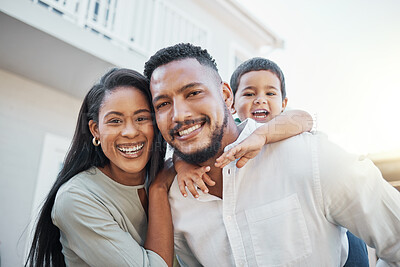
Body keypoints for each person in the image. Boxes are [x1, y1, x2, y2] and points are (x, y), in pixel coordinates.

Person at [144, 43, 400, 266]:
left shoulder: (310, 157)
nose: (179, 115)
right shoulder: (175, 198)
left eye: (193, 93)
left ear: (225, 96)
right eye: (163, 104)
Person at [25, 68, 175, 267]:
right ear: (96, 130)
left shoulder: (170, 175)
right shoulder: (76, 198)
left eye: (141, 118)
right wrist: (158, 190)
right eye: (115, 121)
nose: (130, 132)